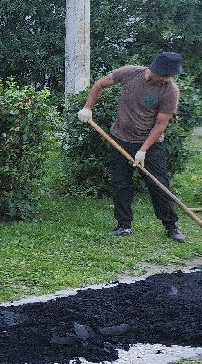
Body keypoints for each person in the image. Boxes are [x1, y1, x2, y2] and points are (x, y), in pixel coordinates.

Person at [77, 52, 186, 243]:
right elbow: (100, 84)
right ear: (156, 69)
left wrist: (143, 150)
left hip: (151, 145)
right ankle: (123, 225)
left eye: (172, 75)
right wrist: (87, 108)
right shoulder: (130, 73)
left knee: (159, 185)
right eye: (167, 74)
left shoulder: (170, 90)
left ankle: (171, 226)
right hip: (120, 138)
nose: (169, 78)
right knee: (121, 184)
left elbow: (161, 124)